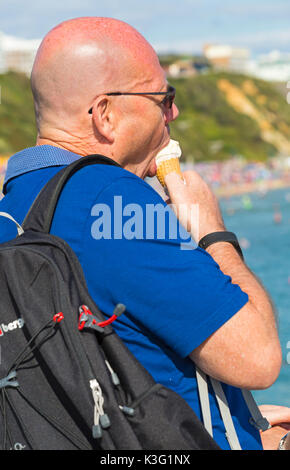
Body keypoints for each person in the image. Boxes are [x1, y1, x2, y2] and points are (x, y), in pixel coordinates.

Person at [0, 17, 285, 450]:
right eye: (162, 97)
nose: (174, 112)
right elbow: (258, 359)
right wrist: (212, 231)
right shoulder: (114, 201)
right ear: (105, 115)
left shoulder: (13, 204)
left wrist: (248, 427)